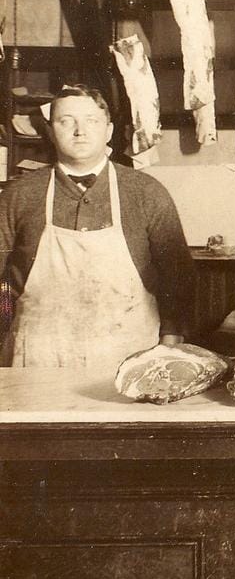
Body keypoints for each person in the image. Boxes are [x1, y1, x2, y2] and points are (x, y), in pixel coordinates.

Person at [0, 84, 195, 368]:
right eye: (66, 121)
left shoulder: (146, 193)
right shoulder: (19, 195)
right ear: (50, 131)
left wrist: (170, 341)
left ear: (109, 131)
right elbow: (3, 283)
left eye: (91, 121)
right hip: (38, 356)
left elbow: (178, 277)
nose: (80, 131)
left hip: (128, 355)